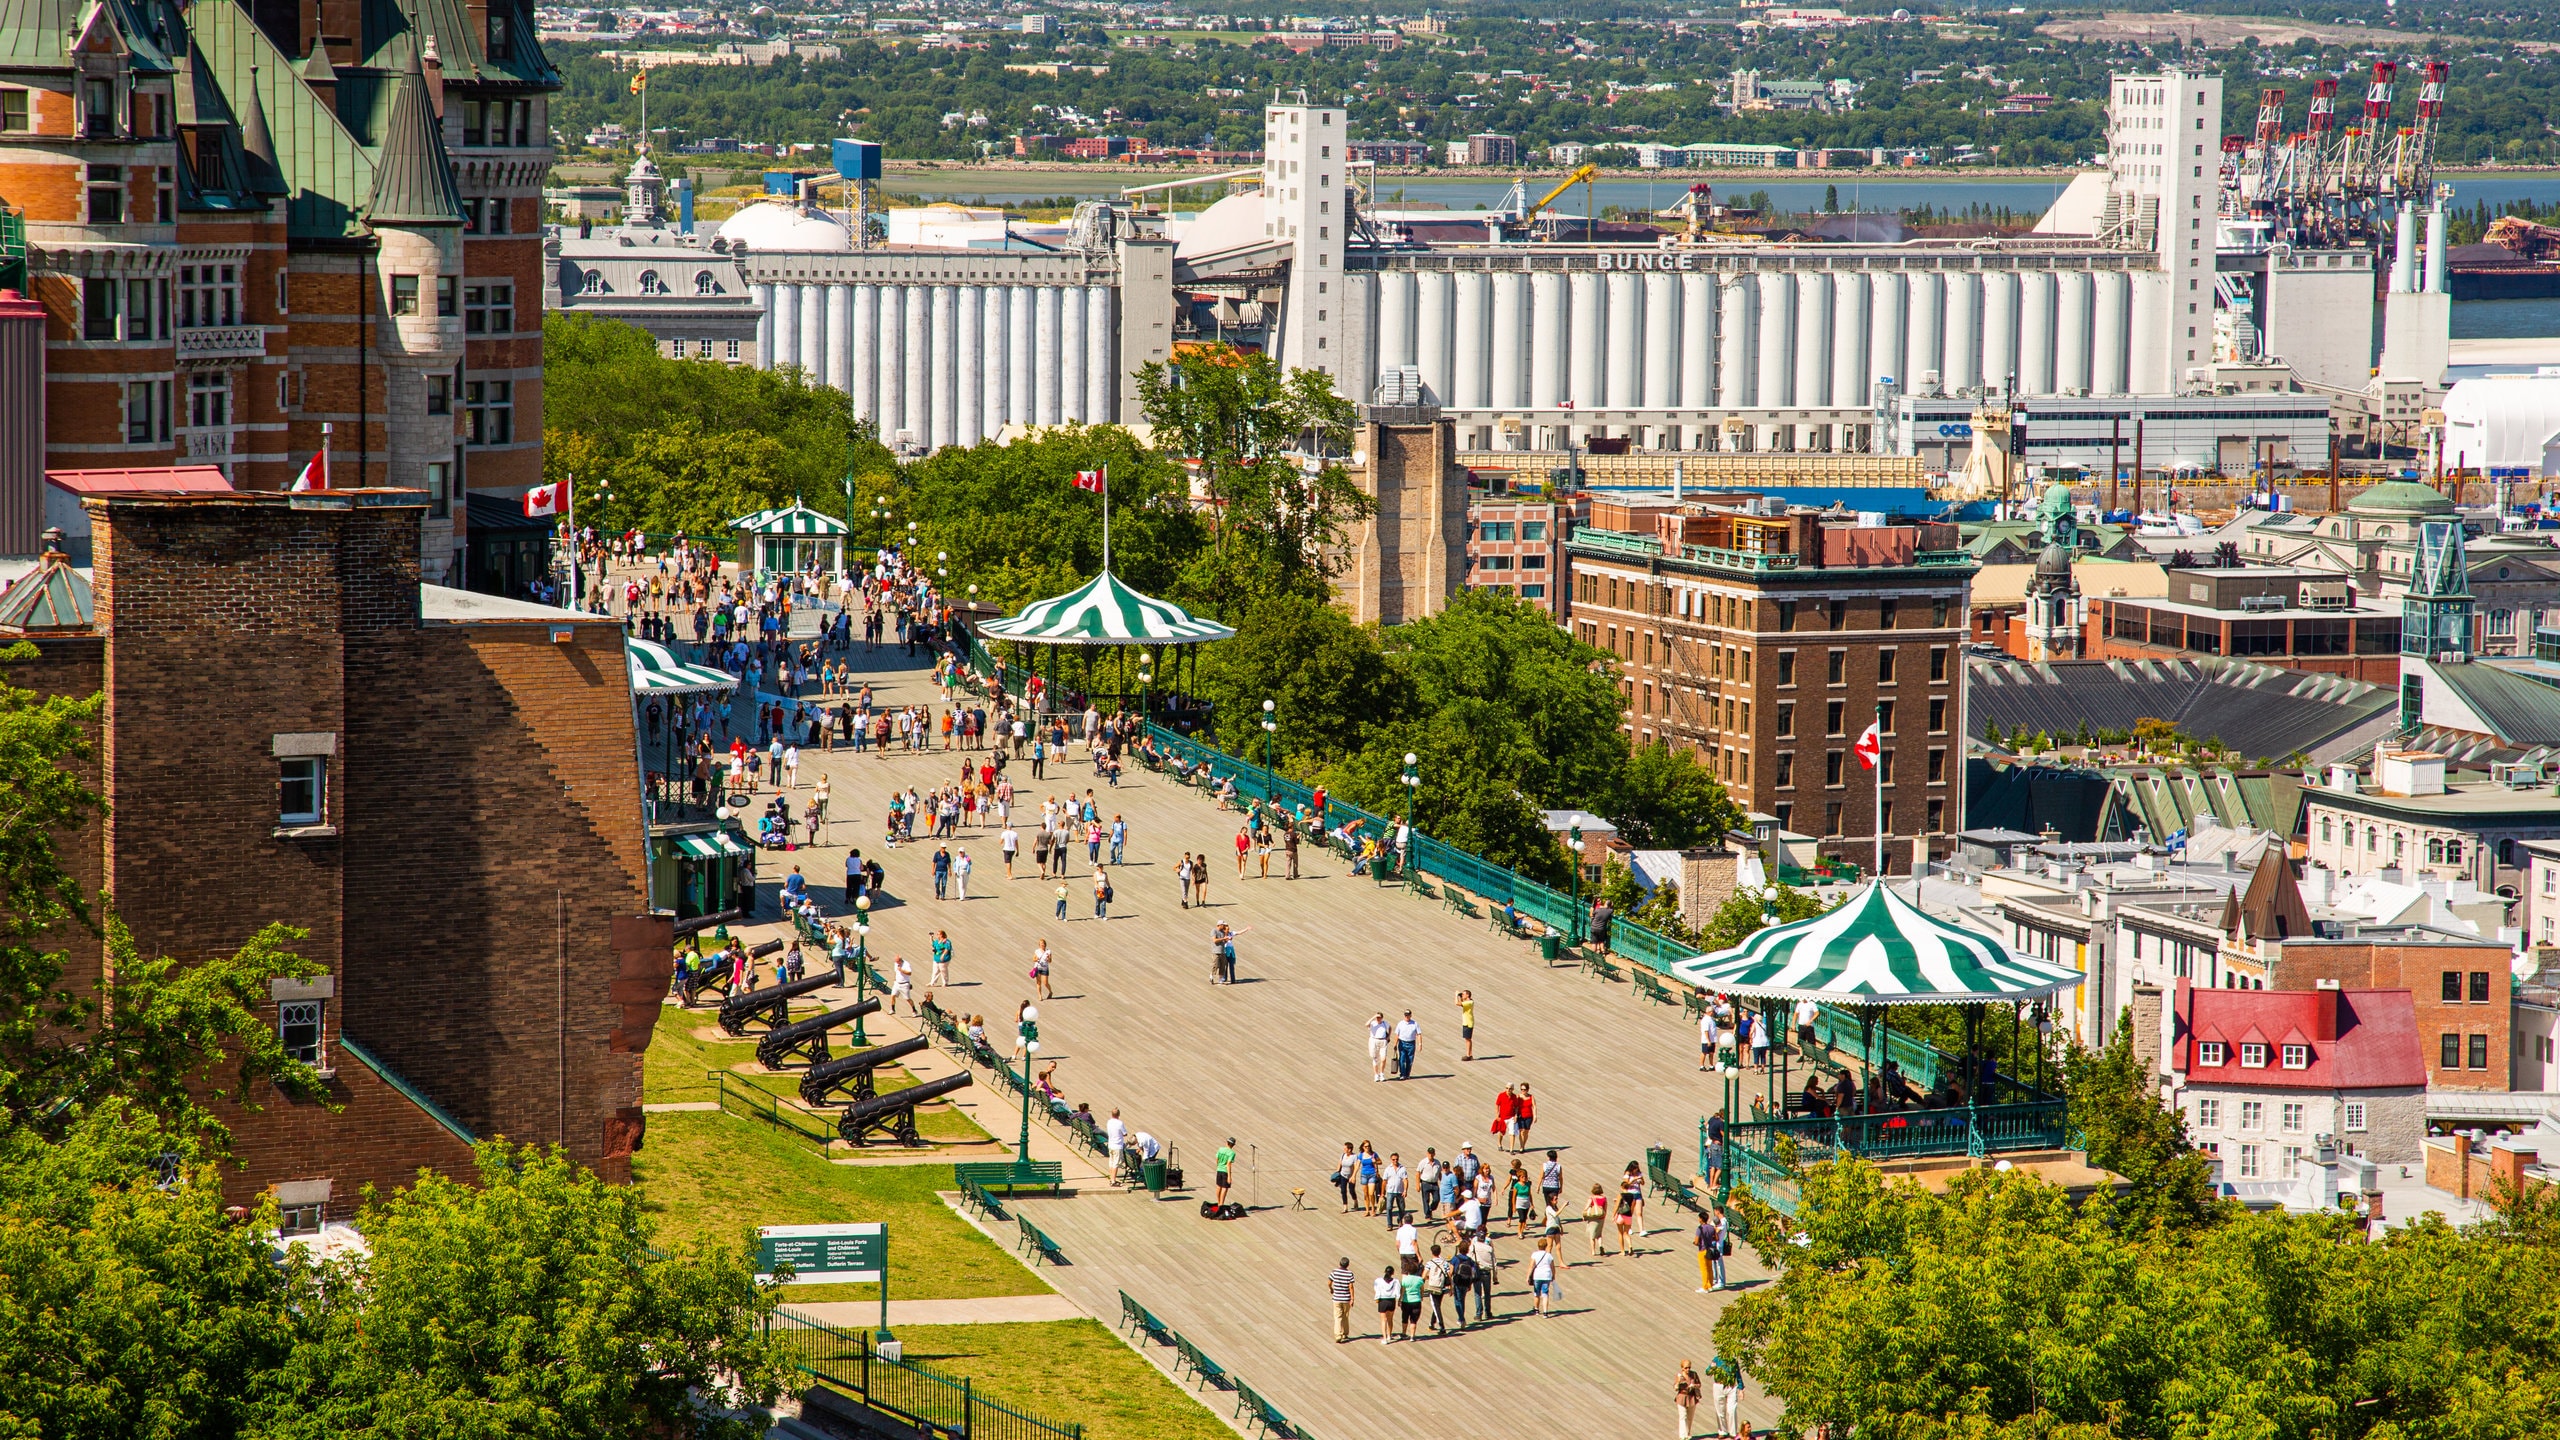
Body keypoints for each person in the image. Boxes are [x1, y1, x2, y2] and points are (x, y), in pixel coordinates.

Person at [1709, 1355, 1744, 1439]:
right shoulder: (1716, 1359)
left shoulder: (1733, 1361)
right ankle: (1722, 1431)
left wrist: (1740, 1387)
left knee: (1732, 1410)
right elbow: (1707, 1371)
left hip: (1731, 1386)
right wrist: (1712, 1368)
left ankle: (1733, 1432)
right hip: (1718, 1385)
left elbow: (1737, 1374)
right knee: (1720, 1410)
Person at [1421, 1244, 1451, 1333]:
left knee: (1436, 1306)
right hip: (1441, 1286)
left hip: (1432, 1287)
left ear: (1432, 1252)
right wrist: (1451, 1288)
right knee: (1437, 1304)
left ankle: (1442, 1326)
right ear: (1440, 1252)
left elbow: (1423, 1276)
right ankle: (1431, 1323)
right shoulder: (1444, 1262)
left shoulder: (1429, 1263)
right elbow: (1449, 1275)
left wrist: (1428, 1278)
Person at [1675, 1361, 1706, 1440]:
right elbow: (1675, 1388)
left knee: (1690, 1417)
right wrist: (1678, 1381)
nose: (1688, 1369)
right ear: (1682, 1368)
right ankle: (1683, 1435)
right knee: (1683, 1416)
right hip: (1682, 1397)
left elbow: (1699, 1384)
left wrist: (1694, 1385)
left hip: (1692, 1397)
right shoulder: (1680, 1375)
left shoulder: (1694, 1374)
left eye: (1689, 1367)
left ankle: (1688, 1433)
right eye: (1686, 1368)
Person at [1616, 1164, 1643, 1254]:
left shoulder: (1639, 1173)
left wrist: (1641, 1179)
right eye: (1635, 1168)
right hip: (1630, 1195)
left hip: (1637, 1194)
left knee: (1639, 1213)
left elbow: (1642, 1184)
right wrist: (1633, 1180)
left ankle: (1641, 1230)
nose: (1637, 1170)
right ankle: (1630, 1243)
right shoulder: (1627, 1174)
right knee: (1629, 1213)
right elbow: (1626, 1184)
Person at [1328, 1258, 1356, 1344]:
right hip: (1346, 1299)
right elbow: (1351, 1287)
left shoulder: (1334, 1272)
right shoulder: (1350, 1274)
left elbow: (1329, 1282)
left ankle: (1338, 1335)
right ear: (1347, 1265)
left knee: (1337, 1317)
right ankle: (1345, 1333)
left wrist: (1331, 1289)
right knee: (1345, 1316)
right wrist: (1352, 1298)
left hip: (1336, 1298)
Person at [1396, 1259, 1425, 1341]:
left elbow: (1402, 1291)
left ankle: (1404, 1333)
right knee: (1414, 1319)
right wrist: (1421, 1296)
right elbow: (1422, 1290)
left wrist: (1399, 1300)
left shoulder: (1405, 1280)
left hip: (1406, 1301)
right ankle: (1412, 1336)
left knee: (1405, 1318)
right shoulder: (1419, 1279)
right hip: (1416, 1301)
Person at [1528, 1237, 1556, 1317]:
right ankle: (1545, 1312)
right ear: (1546, 1246)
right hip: (1546, 1276)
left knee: (1537, 1293)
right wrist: (1553, 1275)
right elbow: (1552, 1267)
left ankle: (1536, 1309)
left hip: (1537, 1275)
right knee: (1545, 1294)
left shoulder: (1535, 1254)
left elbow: (1531, 1266)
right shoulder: (1549, 1255)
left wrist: (1528, 1276)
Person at [1583, 1183, 1609, 1258]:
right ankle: (1600, 1246)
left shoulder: (1591, 1198)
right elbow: (1605, 1209)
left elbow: (1586, 1207)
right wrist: (1604, 1216)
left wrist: (1584, 1214)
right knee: (1599, 1234)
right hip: (1601, 1217)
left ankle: (1593, 1251)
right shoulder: (1604, 1198)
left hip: (1592, 1218)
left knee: (1592, 1235)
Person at [1374, 1267, 1399, 1346]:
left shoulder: (1378, 1281)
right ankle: (1389, 1335)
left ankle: (1384, 1338)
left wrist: (1377, 1298)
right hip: (1391, 1301)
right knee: (1390, 1319)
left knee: (1383, 1320)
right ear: (1393, 1273)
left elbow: (1377, 1290)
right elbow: (1397, 1293)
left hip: (1383, 1301)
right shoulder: (1396, 1281)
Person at [1393, 1010, 1420, 1080]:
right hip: (1402, 1043)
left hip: (1411, 1043)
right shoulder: (1400, 1024)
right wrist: (1395, 1044)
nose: (1407, 1017)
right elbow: (1397, 1034)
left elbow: (1419, 1034)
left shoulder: (1415, 1024)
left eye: (1408, 1015)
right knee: (1402, 1059)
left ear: (1410, 1015)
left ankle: (1407, 1074)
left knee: (1410, 1060)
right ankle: (1402, 1074)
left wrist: (1420, 1044)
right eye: (1405, 1015)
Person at [1333, 1143, 1358, 1213]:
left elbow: (1356, 1167)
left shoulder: (1354, 1156)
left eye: (1345, 1148)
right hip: (1343, 1175)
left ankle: (1355, 1201)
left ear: (1349, 1149)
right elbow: (1340, 1163)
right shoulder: (1343, 1155)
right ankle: (1345, 1207)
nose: (1344, 1149)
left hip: (1351, 1176)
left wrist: (1354, 1176)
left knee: (1351, 1191)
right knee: (1343, 1191)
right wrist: (1337, 1172)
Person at [1368, 1013, 1393, 1083]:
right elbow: (1366, 1024)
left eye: (1379, 1017)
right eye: (1377, 1017)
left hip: (1383, 1041)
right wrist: (1373, 1017)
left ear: (1382, 1018)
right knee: (1375, 1058)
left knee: (1383, 1058)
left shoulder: (1385, 1023)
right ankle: (1376, 1075)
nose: (1378, 1019)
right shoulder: (1373, 1023)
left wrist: (1388, 1036)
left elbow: (1390, 1027)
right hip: (1374, 1040)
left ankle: (1381, 1073)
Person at [1541, 1149, 1564, 1219]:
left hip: (1545, 1186)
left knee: (1547, 1202)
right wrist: (1561, 1187)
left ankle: (1548, 1216)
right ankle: (1553, 1214)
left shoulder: (1545, 1165)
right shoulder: (1558, 1166)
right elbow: (1560, 1177)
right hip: (1554, 1186)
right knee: (1553, 1202)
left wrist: (1538, 1186)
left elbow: (1542, 1176)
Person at [1106, 1108, 1127, 1185]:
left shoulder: (1109, 1122)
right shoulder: (1120, 1123)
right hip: (1117, 1145)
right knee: (1116, 1163)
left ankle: (1111, 1178)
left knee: (1111, 1162)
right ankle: (1113, 1181)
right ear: (1119, 1114)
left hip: (1110, 1144)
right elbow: (1124, 1133)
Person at [1214, 1137, 1237, 1207]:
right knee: (1224, 1188)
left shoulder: (1220, 1149)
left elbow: (1217, 1159)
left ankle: (1218, 1203)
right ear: (1233, 1145)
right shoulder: (1232, 1153)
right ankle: (1221, 1204)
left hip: (1219, 1170)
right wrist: (1229, 1177)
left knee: (1218, 1187)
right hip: (1225, 1171)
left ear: (1227, 1142)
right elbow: (1229, 1164)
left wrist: (1218, 1166)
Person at [1456, 989, 1476, 1062]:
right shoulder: (1468, 1002)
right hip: (1466, 1022)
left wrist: (1456, 996)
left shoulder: (1469, 1002)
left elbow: (1457, 1003)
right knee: (1467, 1039)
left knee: (1468, 1039)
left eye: (1464, 994)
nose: (1463, 995)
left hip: (1468, 1022)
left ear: (1468, 995)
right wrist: (1460, 996)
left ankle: (1469, 1055)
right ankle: (1469, 1054)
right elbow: (1461, 1002)